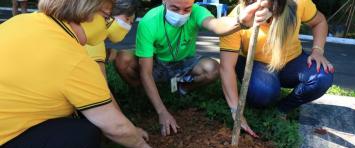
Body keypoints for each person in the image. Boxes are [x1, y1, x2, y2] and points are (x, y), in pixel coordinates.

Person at [0, 0, 154, 148]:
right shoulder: (73, 57)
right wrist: (143, 147)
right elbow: (114, 126)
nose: (107, 25)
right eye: (106, 17)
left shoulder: (22, 22)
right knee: (85, 136)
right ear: (87, 12)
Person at [114, 0, 272, 136]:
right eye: (175, 8)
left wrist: (240, 22)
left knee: (212, 68)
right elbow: (146, 72)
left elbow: (216, 25)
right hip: (158, 63)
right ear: (164, 1)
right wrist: (162, 112)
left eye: (187, 9)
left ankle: (182, 88)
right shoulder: (149, 21)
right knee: (123, 60)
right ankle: (142, 94)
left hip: (185, 62)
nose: (181, 14)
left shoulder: (197, 12)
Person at [219, 0, 334, 137]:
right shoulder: (235, 19)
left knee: (321, 77)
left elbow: (319, 22)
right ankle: (264, 92)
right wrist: (235, 110)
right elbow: (227, 67)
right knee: (263, 93)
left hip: (292, 62)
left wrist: (317, 51)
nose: (260, 7)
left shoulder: (298, 3)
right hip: (257, 65)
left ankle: (282, 109)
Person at [85, 0, 138, 112]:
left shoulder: (84, 25)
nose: (128, 26)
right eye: (127, 19)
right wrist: (124, 125)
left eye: (131, 22)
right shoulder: (95, 41)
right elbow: (102, 90)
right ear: (108, 12)